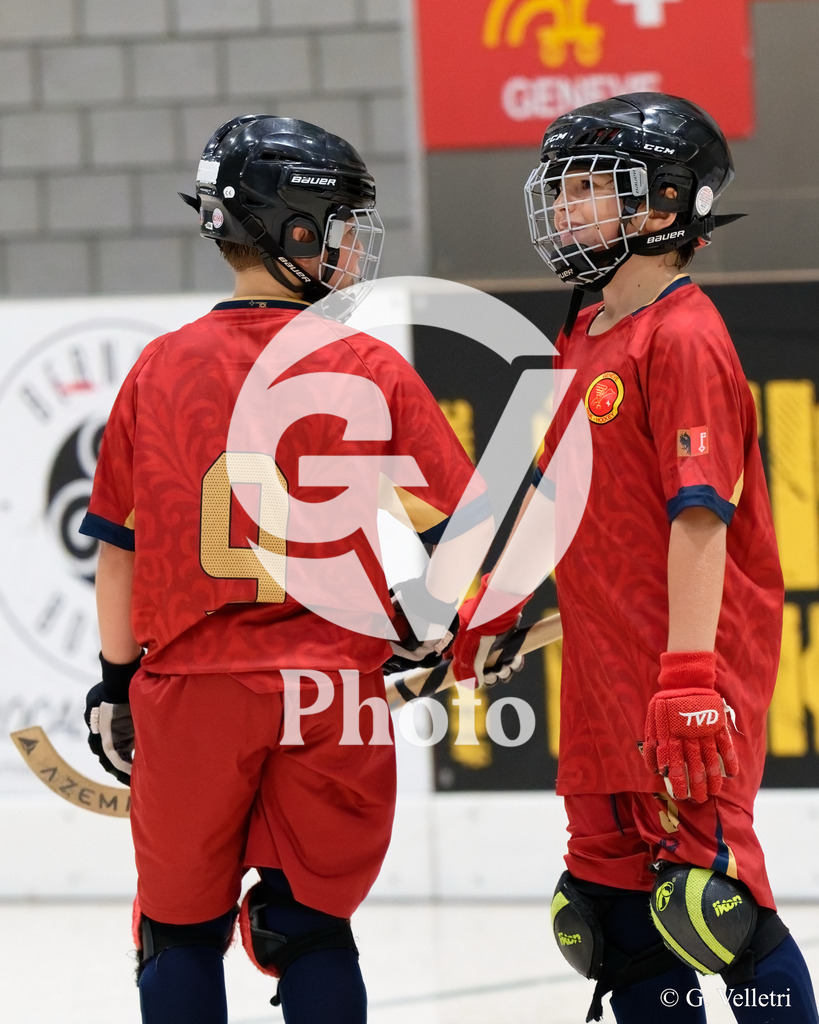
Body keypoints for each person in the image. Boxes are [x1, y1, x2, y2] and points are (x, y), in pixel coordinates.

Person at [79, 114, 489, 1024]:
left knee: (178, 934)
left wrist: (114, 682)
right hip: (332, 688)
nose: (350, 247)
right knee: (311, 929)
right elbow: (468, 531)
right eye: (339, 225)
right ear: (292, 231)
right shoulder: (367, 366)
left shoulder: (156, 369)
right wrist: (426, 624)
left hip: (192, 687)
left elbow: (119, 553)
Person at [449, 93, 819, 1022]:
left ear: (662, 206)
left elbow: (698, 521)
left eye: (588, 189)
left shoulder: (684, 336)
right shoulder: (581, 335)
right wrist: (507, 624)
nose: (564, 207)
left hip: (682, 680)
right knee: (609, 919)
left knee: (711, 909)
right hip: (602, 688)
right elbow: (581, 525)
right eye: (562, 188)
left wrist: (691, 675)